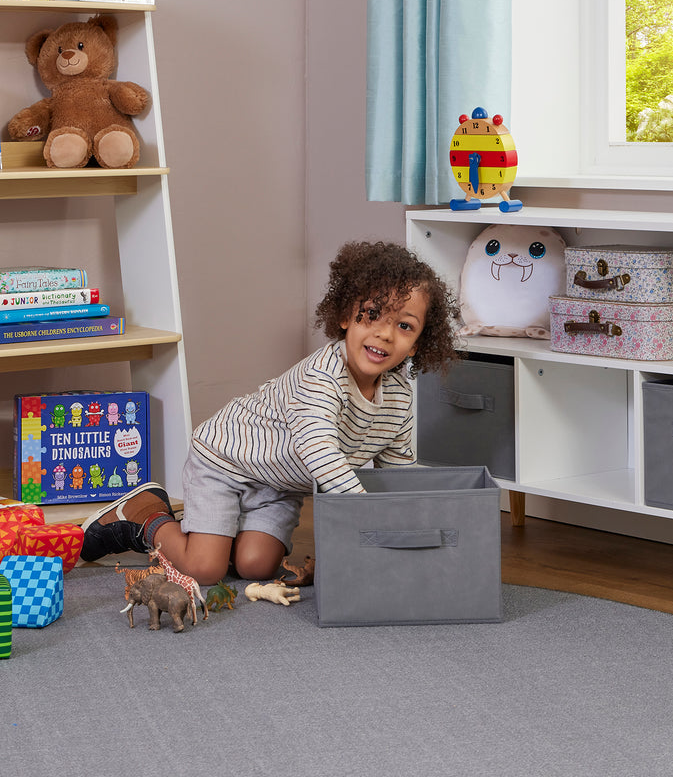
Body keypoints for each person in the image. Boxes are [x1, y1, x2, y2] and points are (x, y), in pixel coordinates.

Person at [80, 240, 461, 585]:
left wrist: (413, 525)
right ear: (346, 316)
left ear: (416, 345)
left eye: (404, 326)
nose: (384, 334)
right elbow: (320, 453)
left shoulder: (399, 397)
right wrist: (371, 517)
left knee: (256, 566)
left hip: (278, 485)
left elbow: (397, 473)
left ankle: (220, 533)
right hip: (226, 462)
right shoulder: (322, 378)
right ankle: (143, 514)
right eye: (372, 314)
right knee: (204, 570)